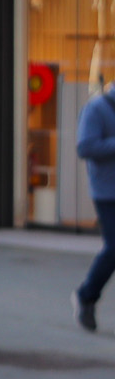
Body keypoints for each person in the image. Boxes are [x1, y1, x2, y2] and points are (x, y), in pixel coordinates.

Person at [74, 78, 115, 331]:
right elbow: (85, 147)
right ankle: (87, 296)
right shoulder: (97, 107)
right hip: (107, 192)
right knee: (114, 248)